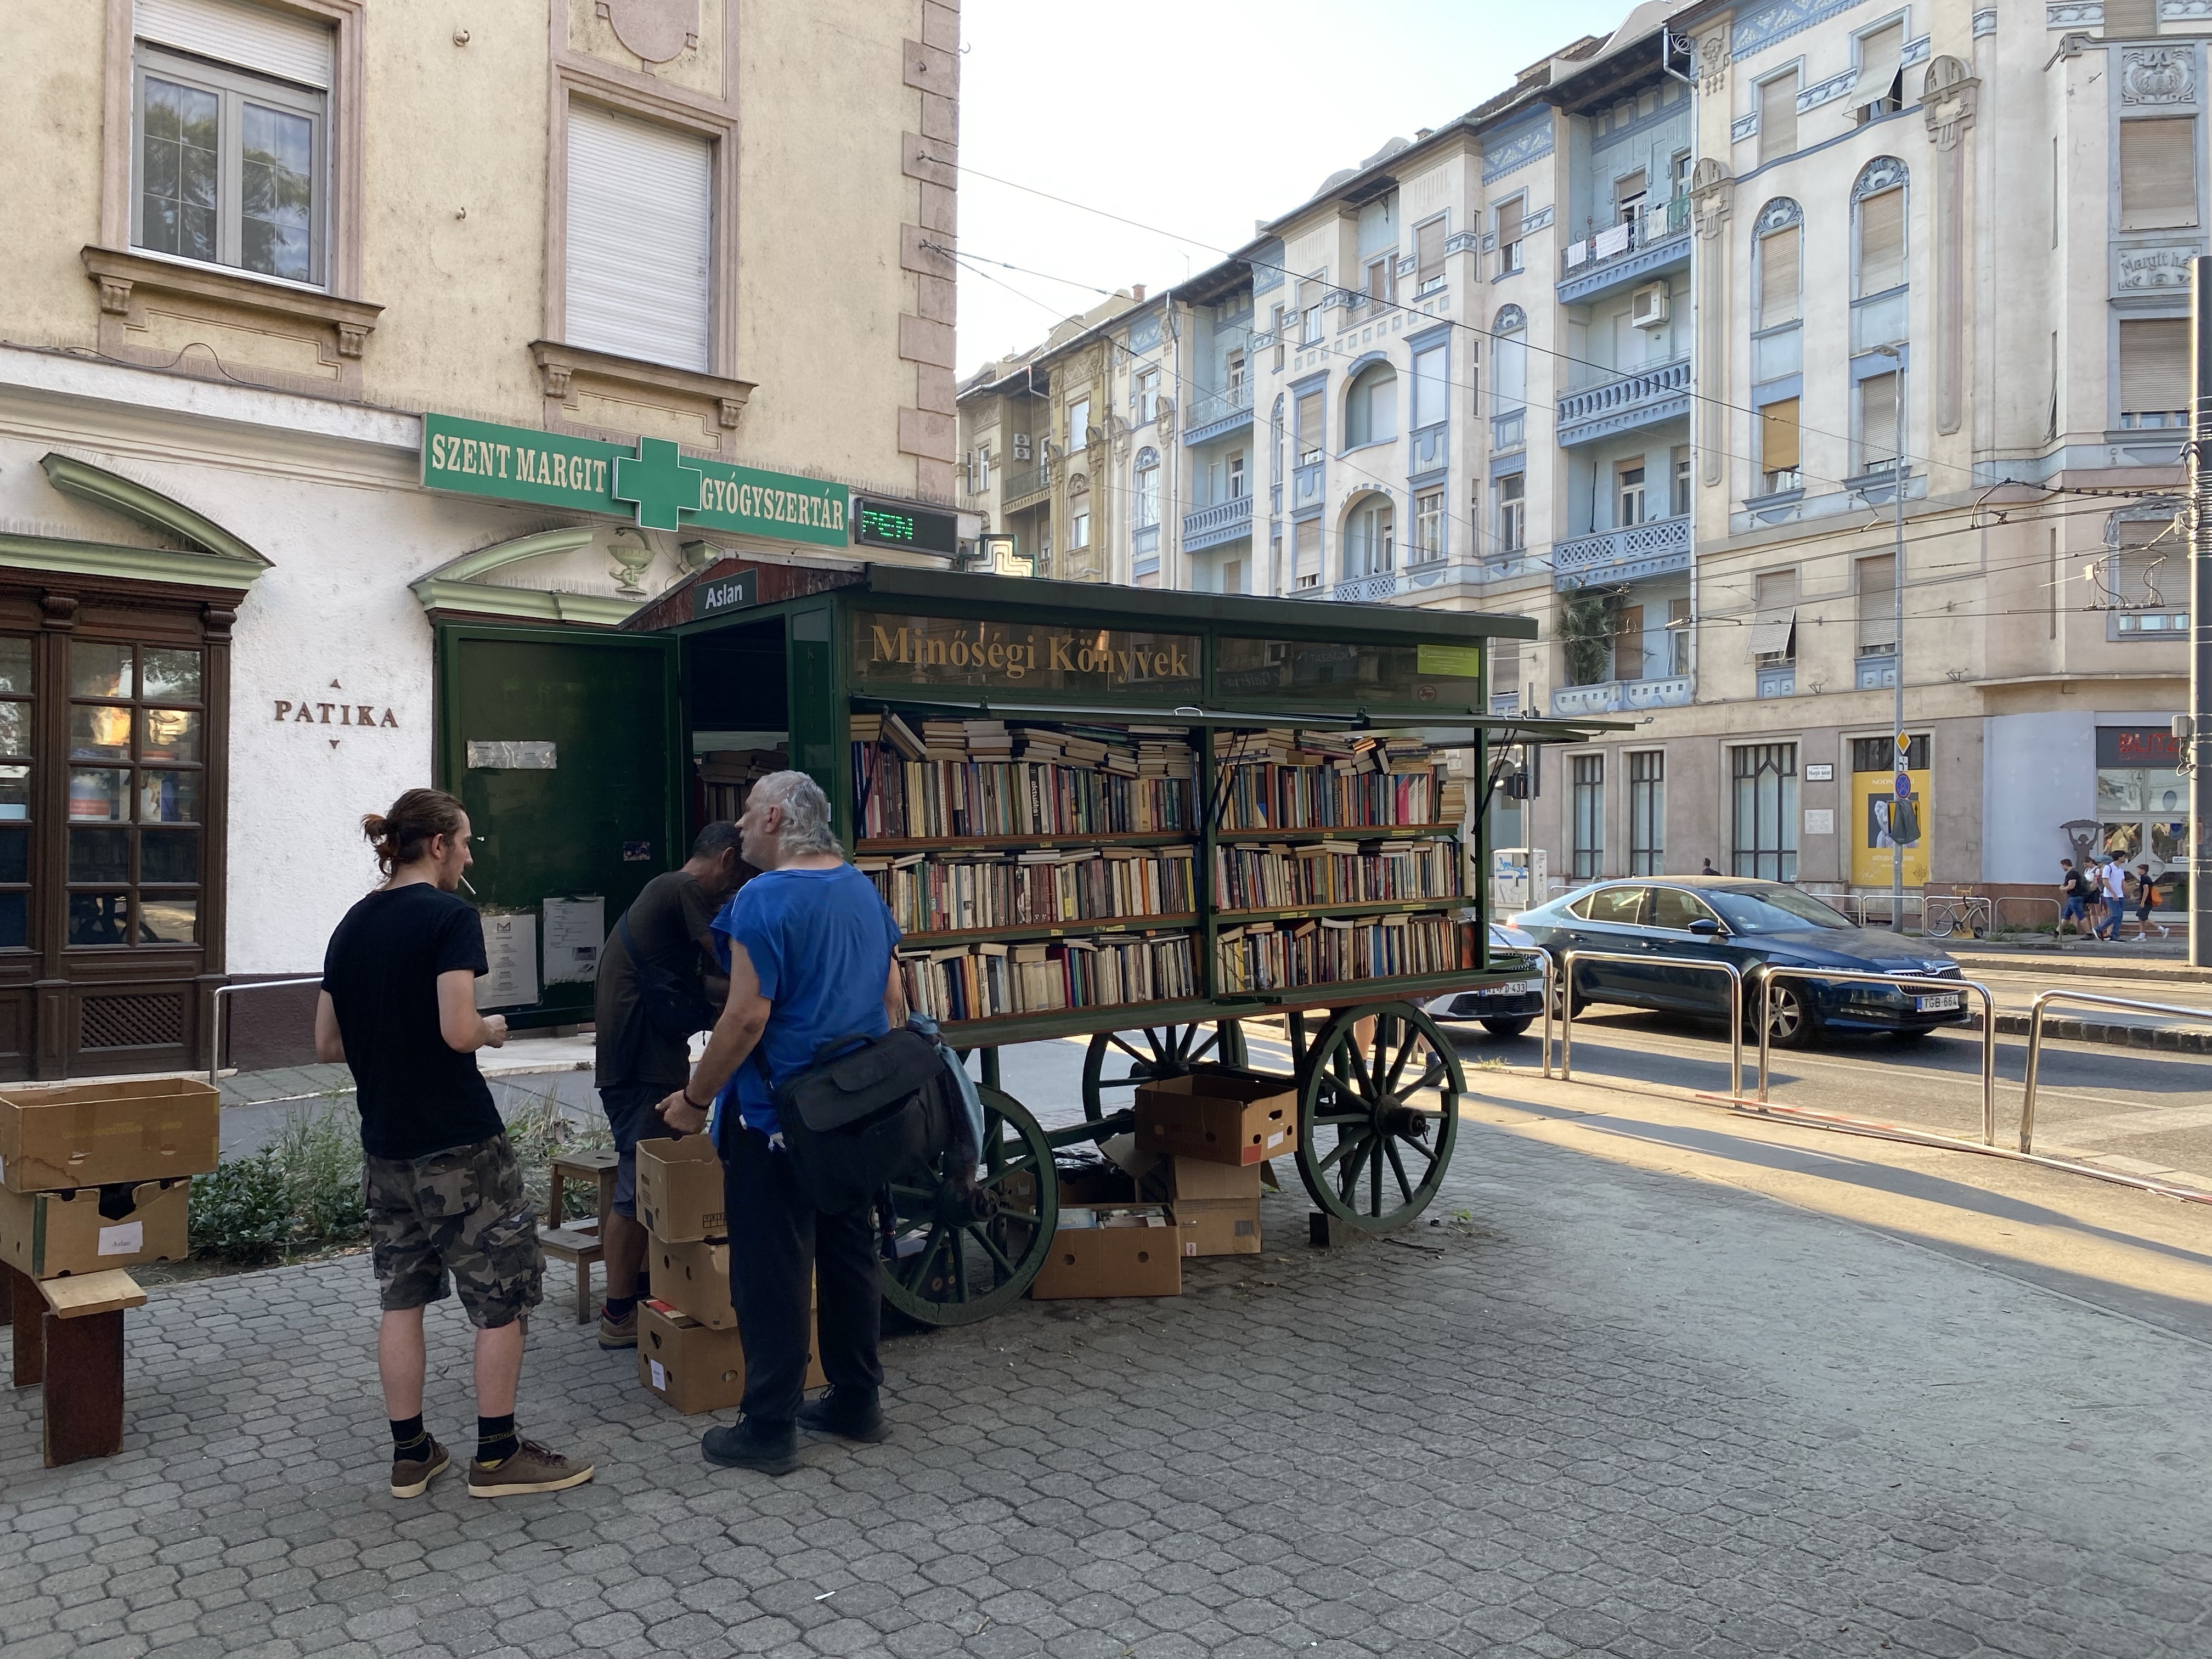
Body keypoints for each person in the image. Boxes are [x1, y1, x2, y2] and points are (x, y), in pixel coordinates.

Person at [317, 788, 594, 1501]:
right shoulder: (448, 917)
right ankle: (498, 1456)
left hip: (386, 1144)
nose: (471, 855)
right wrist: (493, 1029)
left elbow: (325, 1042)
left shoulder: (351, 925)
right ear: (438, 844)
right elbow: (457, 1029)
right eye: (465, 842)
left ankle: (412, 1454)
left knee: (401, 1300)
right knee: (503, 1296)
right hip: (460, 1143)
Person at [658, 771, 905, 1475]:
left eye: (742, 814)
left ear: (773, 817)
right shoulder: (861, 887)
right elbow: (893, 995)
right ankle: (858, 1401)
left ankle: (769, 1426)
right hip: (854, 1110)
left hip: (775, 1117)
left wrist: (694, 1100)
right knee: (851, 1251)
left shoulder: (761, 899)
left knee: (774, 1269)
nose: (735, 829)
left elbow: (745, 1017)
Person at [590, 821, 746, 1350]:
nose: (734, 889)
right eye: (738, 876)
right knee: (641, 1184)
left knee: (644, 1178)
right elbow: (726, 958)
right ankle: (618, 1314)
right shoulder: (682, 890)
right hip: (641, 1063)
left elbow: (707, 984)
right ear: (725, 859)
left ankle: (640, 1293)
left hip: (635, 1057)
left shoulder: (660, 895)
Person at [2135, 862, 2170, 939]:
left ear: (2143, 870)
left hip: (2147, 902)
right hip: (2148, 901)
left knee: (2143, 918)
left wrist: (2143, 902)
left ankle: (2162, 929)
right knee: (2141, 918)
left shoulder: (2145, 878)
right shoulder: (2145, 878)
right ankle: (2142, 935)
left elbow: (2146, 890)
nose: (2138, 871)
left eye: (2139, 870)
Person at [2097, 853, 2129, 941]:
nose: (2125, 859)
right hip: (2110, 896)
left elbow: (2123, 882)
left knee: (2119, 917)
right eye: (2124, 857)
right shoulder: (2109, 868)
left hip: (2120, 895)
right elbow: (2105, 881)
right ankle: (2099, 928)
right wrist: (2113, 893)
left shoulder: (2120, 870)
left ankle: (2115, 936)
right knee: (2115, 915)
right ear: (2119, 858)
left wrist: (2129, 892)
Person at [2057, 858, 2090, 938]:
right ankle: (2057, 932)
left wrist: (2063, 888)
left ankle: (2090, 933)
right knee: (2066, 916)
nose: (2062, 868)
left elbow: (2071, 886)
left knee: (2081, 916)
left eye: (2062, 866)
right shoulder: (2077, 872)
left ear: (2065, 865)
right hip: (2074, 897)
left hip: (2075, 897)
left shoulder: (2072, 874)